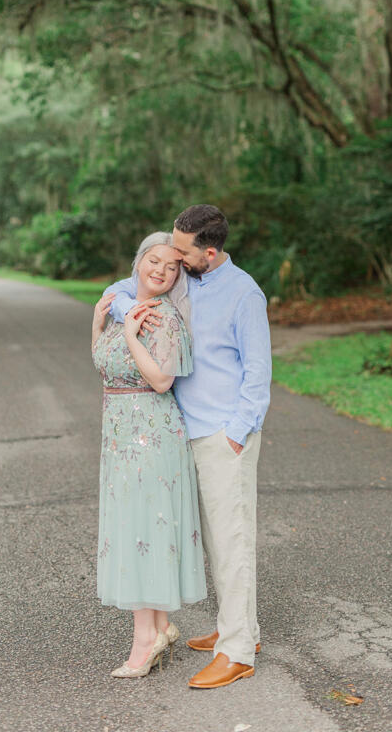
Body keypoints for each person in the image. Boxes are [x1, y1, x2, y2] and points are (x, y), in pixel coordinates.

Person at [105, 204, 271, 689]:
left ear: (210, 252)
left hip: (223, 433)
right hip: (180, 430)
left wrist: (238, 432)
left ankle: (237, 651)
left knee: (232, 539)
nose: (171, 260)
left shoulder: (244, 295)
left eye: (181, 253)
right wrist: (129, 310)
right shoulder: (183, 280)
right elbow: (118, 290)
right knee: (219, 538)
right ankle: (243, 629)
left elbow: (258, 373)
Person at [91, 232, 206, 679]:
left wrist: (135, 335)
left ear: (177, 276)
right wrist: (99, 325)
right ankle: (158, 626)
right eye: (153, 261)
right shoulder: (119, 306)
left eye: (171, 267)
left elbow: (161, 381)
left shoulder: (164, 319)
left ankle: (144, 641)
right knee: (134, 526)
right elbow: (103, 362)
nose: (160, 270)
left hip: (151, 436)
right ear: (138, 263)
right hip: (120, 435)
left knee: (142, 529)